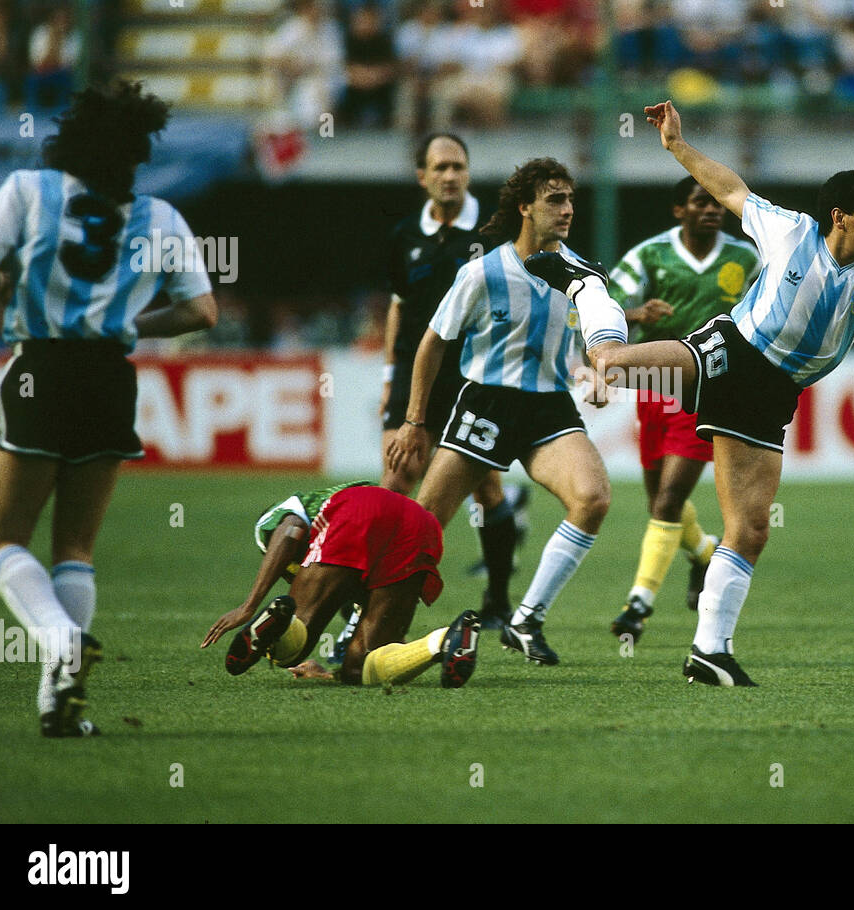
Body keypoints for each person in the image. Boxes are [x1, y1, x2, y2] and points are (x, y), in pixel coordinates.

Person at [530, 99, 854, 686]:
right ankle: (586, 283)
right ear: (839, 216)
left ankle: (708, 652)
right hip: (731, 353)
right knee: (612, 364)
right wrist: (674, 145)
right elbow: (729, 187)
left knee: (752, 528)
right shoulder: (791, 230)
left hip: (774, 395)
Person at [0, 81, 218, 736]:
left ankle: (58, 640)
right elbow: (202, 311)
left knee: (1, 538)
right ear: (136, 153)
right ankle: (61, 702)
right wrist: (129, 320)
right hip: (112, 378)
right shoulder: (162, 218)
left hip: (42, 368)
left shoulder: (30, 192)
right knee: (76, 547)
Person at [386, 157, 618, 667]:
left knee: (593, 498)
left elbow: (596, 339)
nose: (567, 209)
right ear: (526, 208)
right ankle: (369, 632)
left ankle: (526, 620)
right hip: (487, 404)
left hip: (548, 409)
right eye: (555, 199)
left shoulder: (583, 274)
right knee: (424, 529)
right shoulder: (482, 272)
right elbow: (432, 344)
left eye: (571, 199)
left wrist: (598, 373)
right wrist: (414, 420)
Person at [381, 133, 527, 631]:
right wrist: (388, 379)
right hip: (412, 376)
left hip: (472, 377)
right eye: (439, 167)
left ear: (467, 172)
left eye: (458, 166)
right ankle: (376, 604)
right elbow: (398, 308)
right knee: (396, 482)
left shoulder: (494, 233)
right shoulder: (404, 235)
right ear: (422, 175)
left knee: (486, 491)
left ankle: (499, 602)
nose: (449, 175)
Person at [606, 176, 760, 643]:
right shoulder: (650, 255)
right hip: (654, 385)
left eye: (717, 203)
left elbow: (769, 308)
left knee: (670, 499)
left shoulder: (747, 259)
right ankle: (704, 550)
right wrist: (634, 316)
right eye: (700, 202)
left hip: (709, 389)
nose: (712, 209)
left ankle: (638, 604)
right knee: (660, 503)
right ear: (680, 211)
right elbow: (603, 305)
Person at [200, 482, 481, 688]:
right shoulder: (350, 576)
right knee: (360, 667)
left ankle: (276, 629)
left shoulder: (278, 518)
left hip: (357, 511)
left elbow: (292, 529)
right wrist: (328, 675)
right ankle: (444, 641)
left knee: (296, 643)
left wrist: (248, 606)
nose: (289, 574)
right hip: (421, 524)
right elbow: (386, 633)